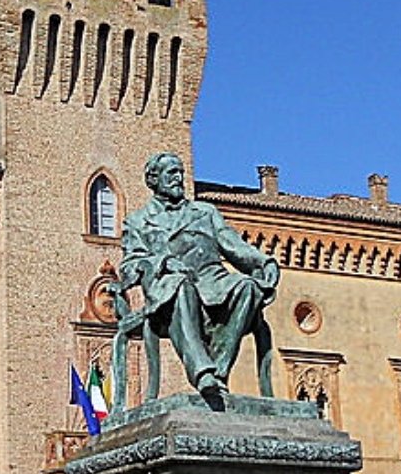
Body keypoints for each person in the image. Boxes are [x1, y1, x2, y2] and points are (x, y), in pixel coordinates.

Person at [119, 151, 280, 407]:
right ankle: (202, 372)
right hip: (169, 290)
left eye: (181, 172)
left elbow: (235, 246)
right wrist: (162, 262)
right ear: (154, 179)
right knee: (181, 287)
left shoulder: (205, 212)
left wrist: (264, 262)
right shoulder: (138, 222)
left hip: (213, 282)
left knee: (247, 287)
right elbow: (128, 267)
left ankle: (217, 372)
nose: (179, 178)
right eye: (172, 173)